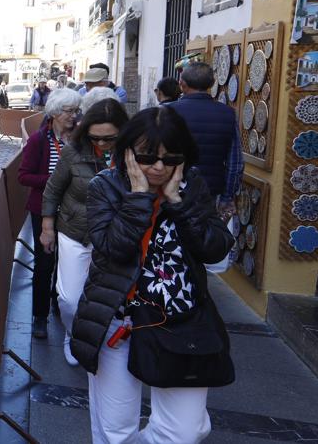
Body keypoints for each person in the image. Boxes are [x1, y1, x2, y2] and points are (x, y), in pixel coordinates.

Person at [70, 107, 233, 443]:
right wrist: (140, 197)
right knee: (115, 430)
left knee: (185, 431)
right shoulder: (105, 187)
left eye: (170, 157)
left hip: (180, 324)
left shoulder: (192, 185)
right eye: (147, 157)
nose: (159, 167)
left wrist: (177, 201)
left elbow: (214, 248)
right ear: (128, 152)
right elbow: (113, 247)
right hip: (118, 320)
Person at [40, 99, 129, 367]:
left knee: (108, 296)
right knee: (69, 298)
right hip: (75, 230)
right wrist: (47, 228)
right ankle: (72, 332)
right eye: (96, 138)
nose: (102, 144)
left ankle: (96, 338)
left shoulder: (133, 154)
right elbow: (53, 190)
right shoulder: (73, 152)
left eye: (109, 138)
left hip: (116, 234)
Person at [16, 88, 82, 339]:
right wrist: (55, 181)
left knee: (68, 261)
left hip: (73, 211)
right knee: (44, 263)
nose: (73, 116)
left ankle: (59, 302)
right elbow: (24, 176)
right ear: (54, 113)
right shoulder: (39, 140)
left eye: (76, 111)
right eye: (69, 111)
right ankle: (40, 316)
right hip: (43, 210)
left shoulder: (78, 139)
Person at [164, 61, 241, 273]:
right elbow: (235, 162)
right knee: (202, 238)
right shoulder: (227, 114)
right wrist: (227, 197)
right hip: (211, 190)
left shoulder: (167, 111)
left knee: (174, 236)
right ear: (211, 84)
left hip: (172, 187)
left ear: (182, 83)